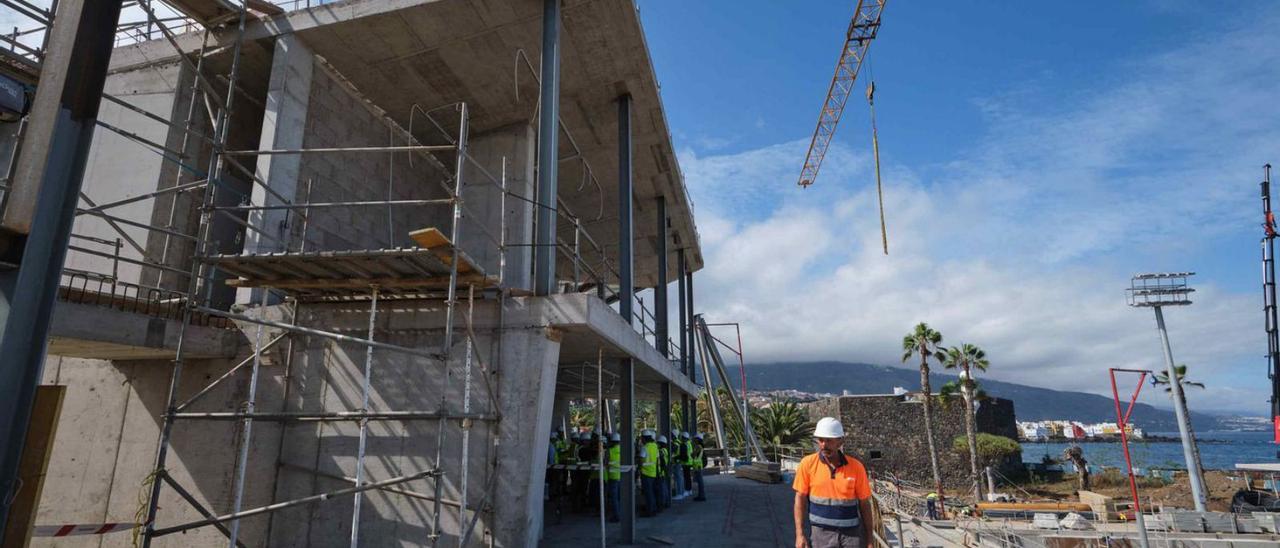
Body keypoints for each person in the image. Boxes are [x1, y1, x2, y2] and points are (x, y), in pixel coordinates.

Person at [792, 417, 871, 548]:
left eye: (829, 440)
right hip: (820, 535)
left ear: (840, 441)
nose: (823, 445)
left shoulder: (856, 467)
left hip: (851, 536)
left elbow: (865, 504)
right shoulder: (807, 464)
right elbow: (799, 499)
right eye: (821, 440)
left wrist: (869, 540)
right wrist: (799, 534)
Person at [639, 429, 659, 516]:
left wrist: (638, 469)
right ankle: (653, 509)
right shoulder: (655, 446)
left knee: (648, 493)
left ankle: (649, 511)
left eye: (642, 438)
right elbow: (657, 458)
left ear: (644, 438)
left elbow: (641, 460)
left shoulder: (645, 447)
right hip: (653, 472)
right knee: (652, 492)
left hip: (646, 473)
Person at [606, 432, 621, 522]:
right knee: (620, 497)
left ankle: (616, 516)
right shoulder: (623, 450)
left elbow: (606, 463)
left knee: (614, 498)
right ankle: (621, 514)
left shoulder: (610, 451)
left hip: (613, 476)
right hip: (621, 476)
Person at [690, 433, 706, 502]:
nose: (694, 440)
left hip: (698, 466)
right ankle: (701, 495)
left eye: (695, 439)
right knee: (700, 482)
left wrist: (691, 454)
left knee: (700, 482)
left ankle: (701, 496)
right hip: (699, 465)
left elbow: (693, 455)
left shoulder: (698, 447)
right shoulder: (700, 446)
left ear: (698, 439)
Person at [671, 430, 686, 500]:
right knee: (679, 478)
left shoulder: (676, 443)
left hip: (676, 462)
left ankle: (679, 493)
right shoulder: (678, 442)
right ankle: (681, 492)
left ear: (674, 435)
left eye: (671, 434)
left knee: (678, 478)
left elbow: (674, 452)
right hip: (678, 461)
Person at [657, 435, 671, 509]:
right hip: (663, 471)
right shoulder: (665, 450)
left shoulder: (661, 451)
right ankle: (667, 502)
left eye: (659, 443)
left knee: (662, 489)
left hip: (661, 472)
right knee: (665, 488)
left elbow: (662, 462)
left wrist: (661, 470)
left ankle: (663, 503)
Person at [681, 432, 694, 499]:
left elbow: (684, 454)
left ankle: (687, 490)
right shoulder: (689, 444)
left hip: (686, 463)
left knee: (686, 477)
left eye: (682, 438)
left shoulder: (685, 444)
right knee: (688, 477)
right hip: (689, 462)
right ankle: (690, 490)